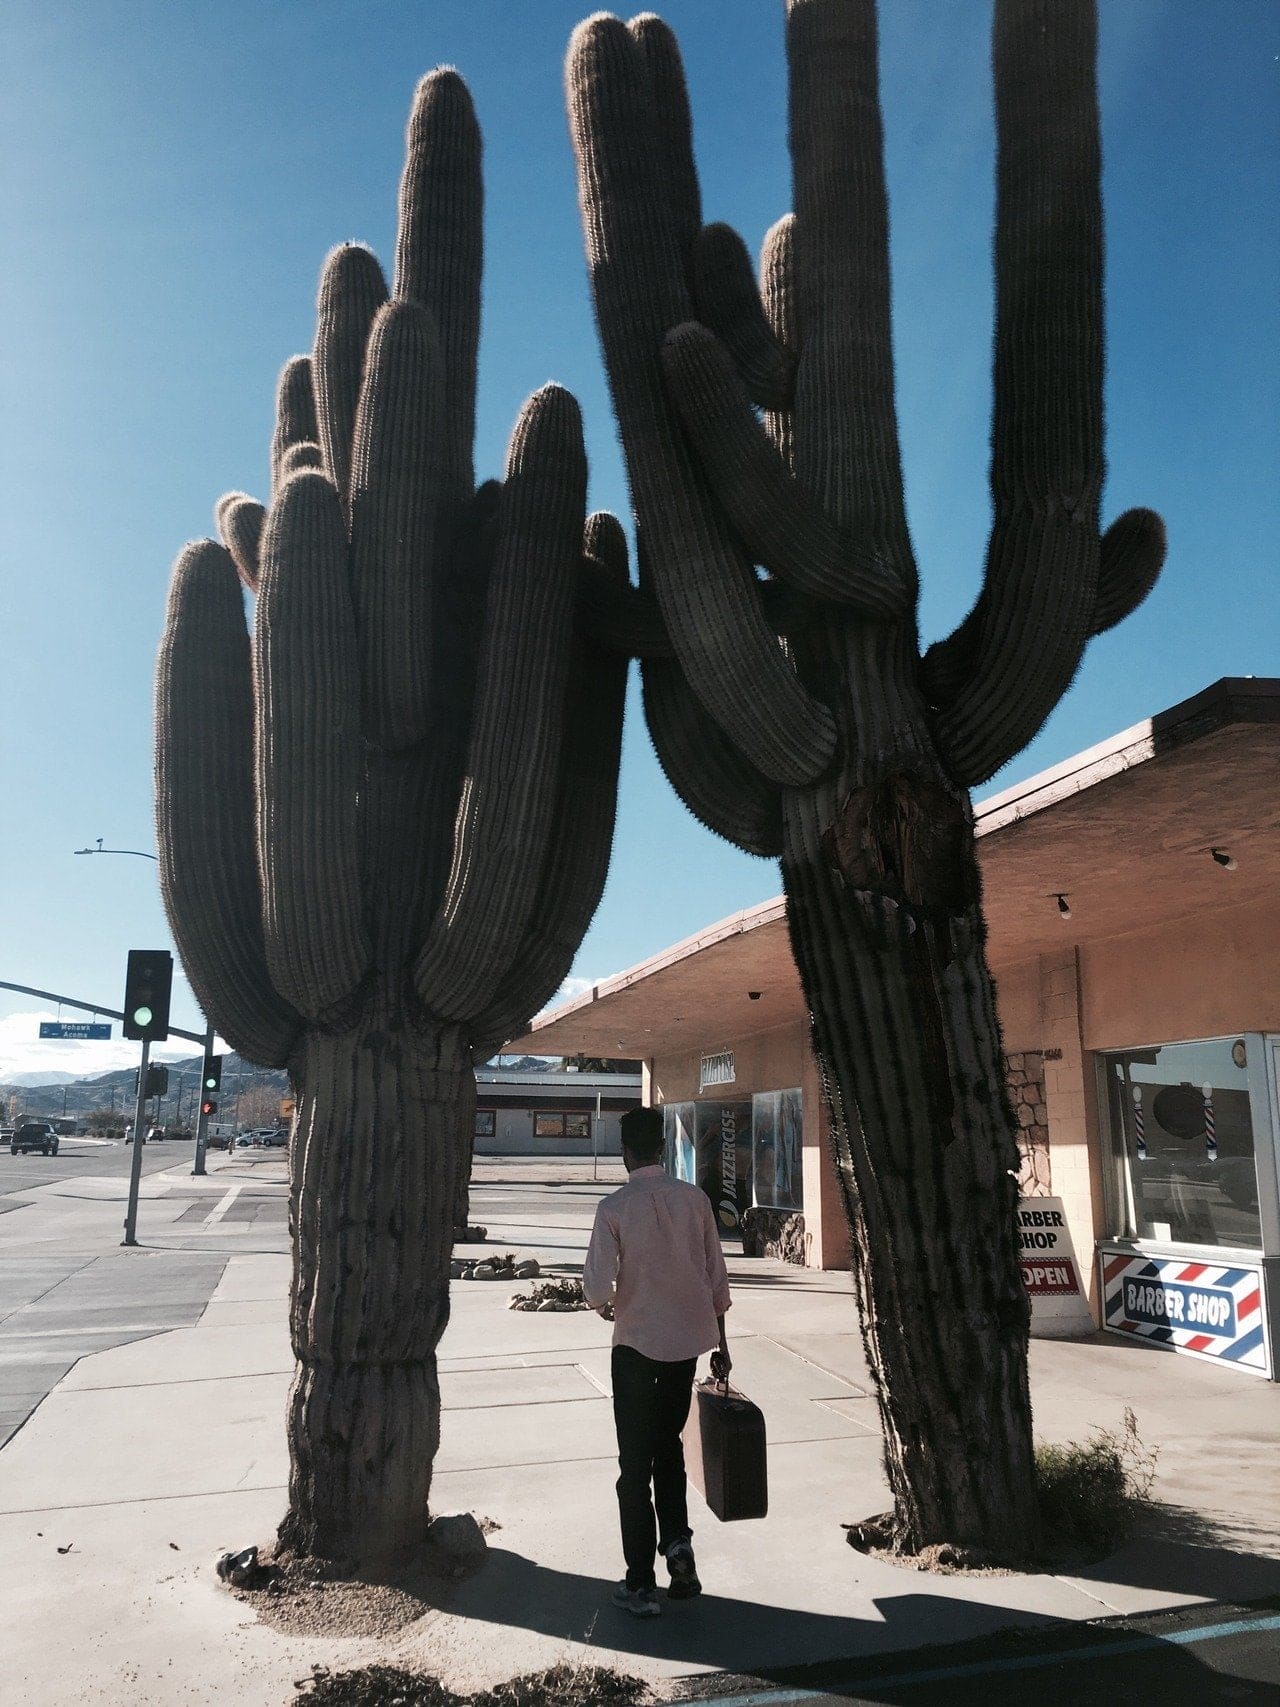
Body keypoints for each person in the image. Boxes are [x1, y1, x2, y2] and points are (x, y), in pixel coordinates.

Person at [583, 1105, 732, 1618]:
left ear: (626, 1153)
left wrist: (605, 1304)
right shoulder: (695, 1201)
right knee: (669, 1449)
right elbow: (717, 1280)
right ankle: (680, 1552)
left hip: (635, 1347)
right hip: (684, 1348)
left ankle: (640, 1583)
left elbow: (596, 1289)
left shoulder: (614, 1208)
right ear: (662, 1150)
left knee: (634, 1465)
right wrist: (723, 1346)